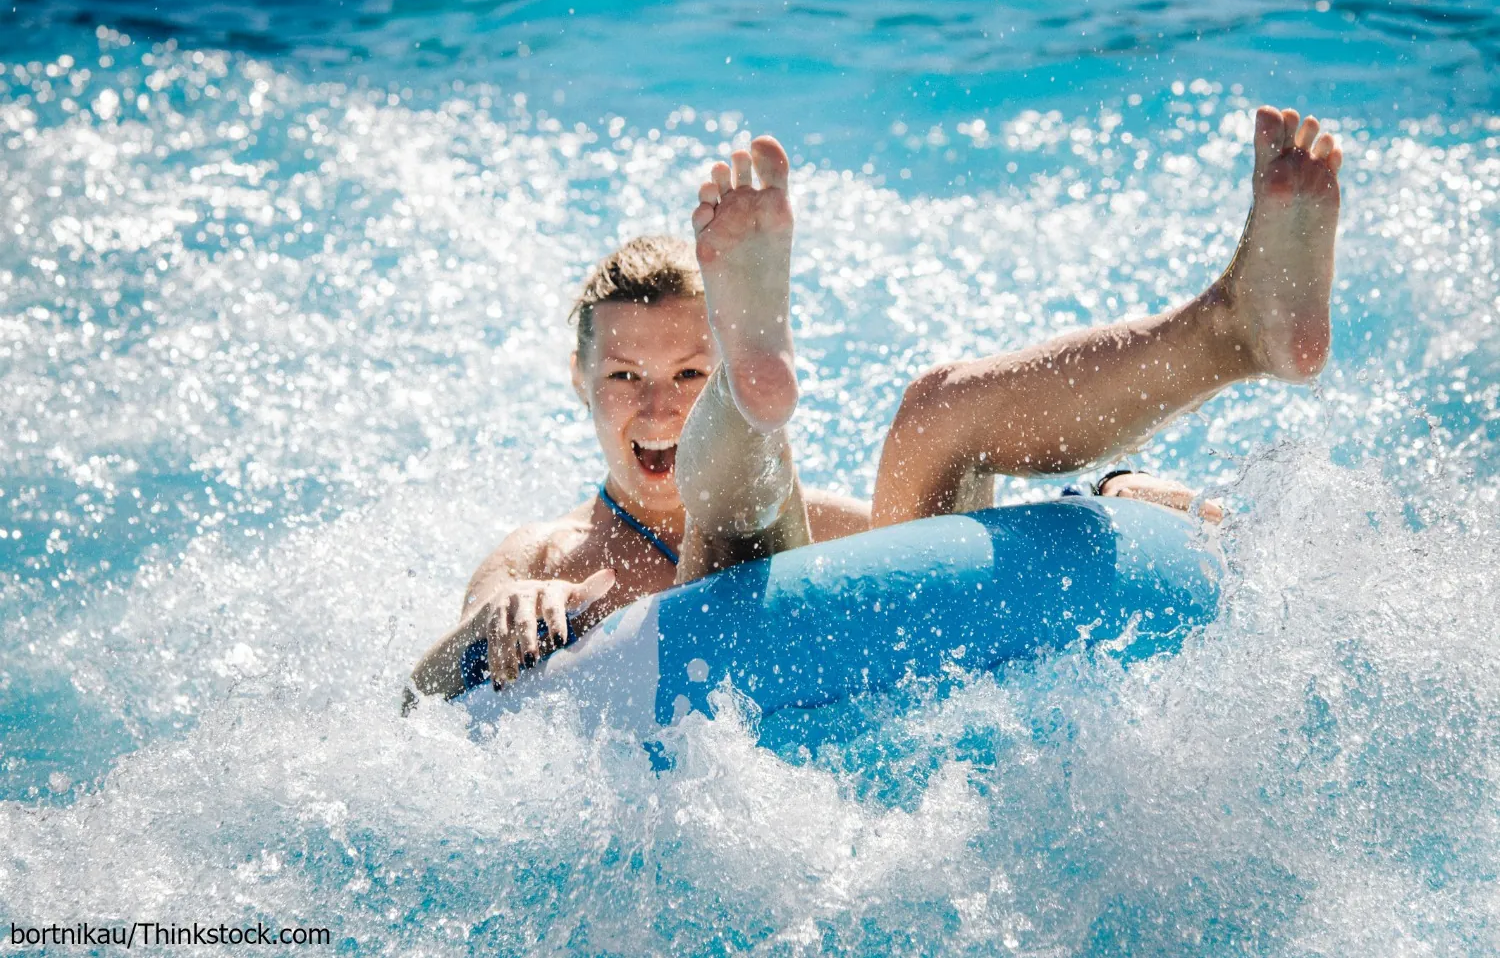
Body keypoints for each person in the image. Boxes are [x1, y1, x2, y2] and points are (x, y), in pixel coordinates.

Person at [409, 104, 1340, 699]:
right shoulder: (542, 552)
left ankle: (1233, 328)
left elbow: (947, 541)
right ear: (580, 381)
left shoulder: (822, 517)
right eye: (625, 377)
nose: (658, 405)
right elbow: (419, 692)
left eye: (691, 374)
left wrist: (1110, 493)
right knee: (740, 517)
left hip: (853, 713)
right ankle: (751, 390)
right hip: (699, 724)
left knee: (932, 413)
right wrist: (495, 619)